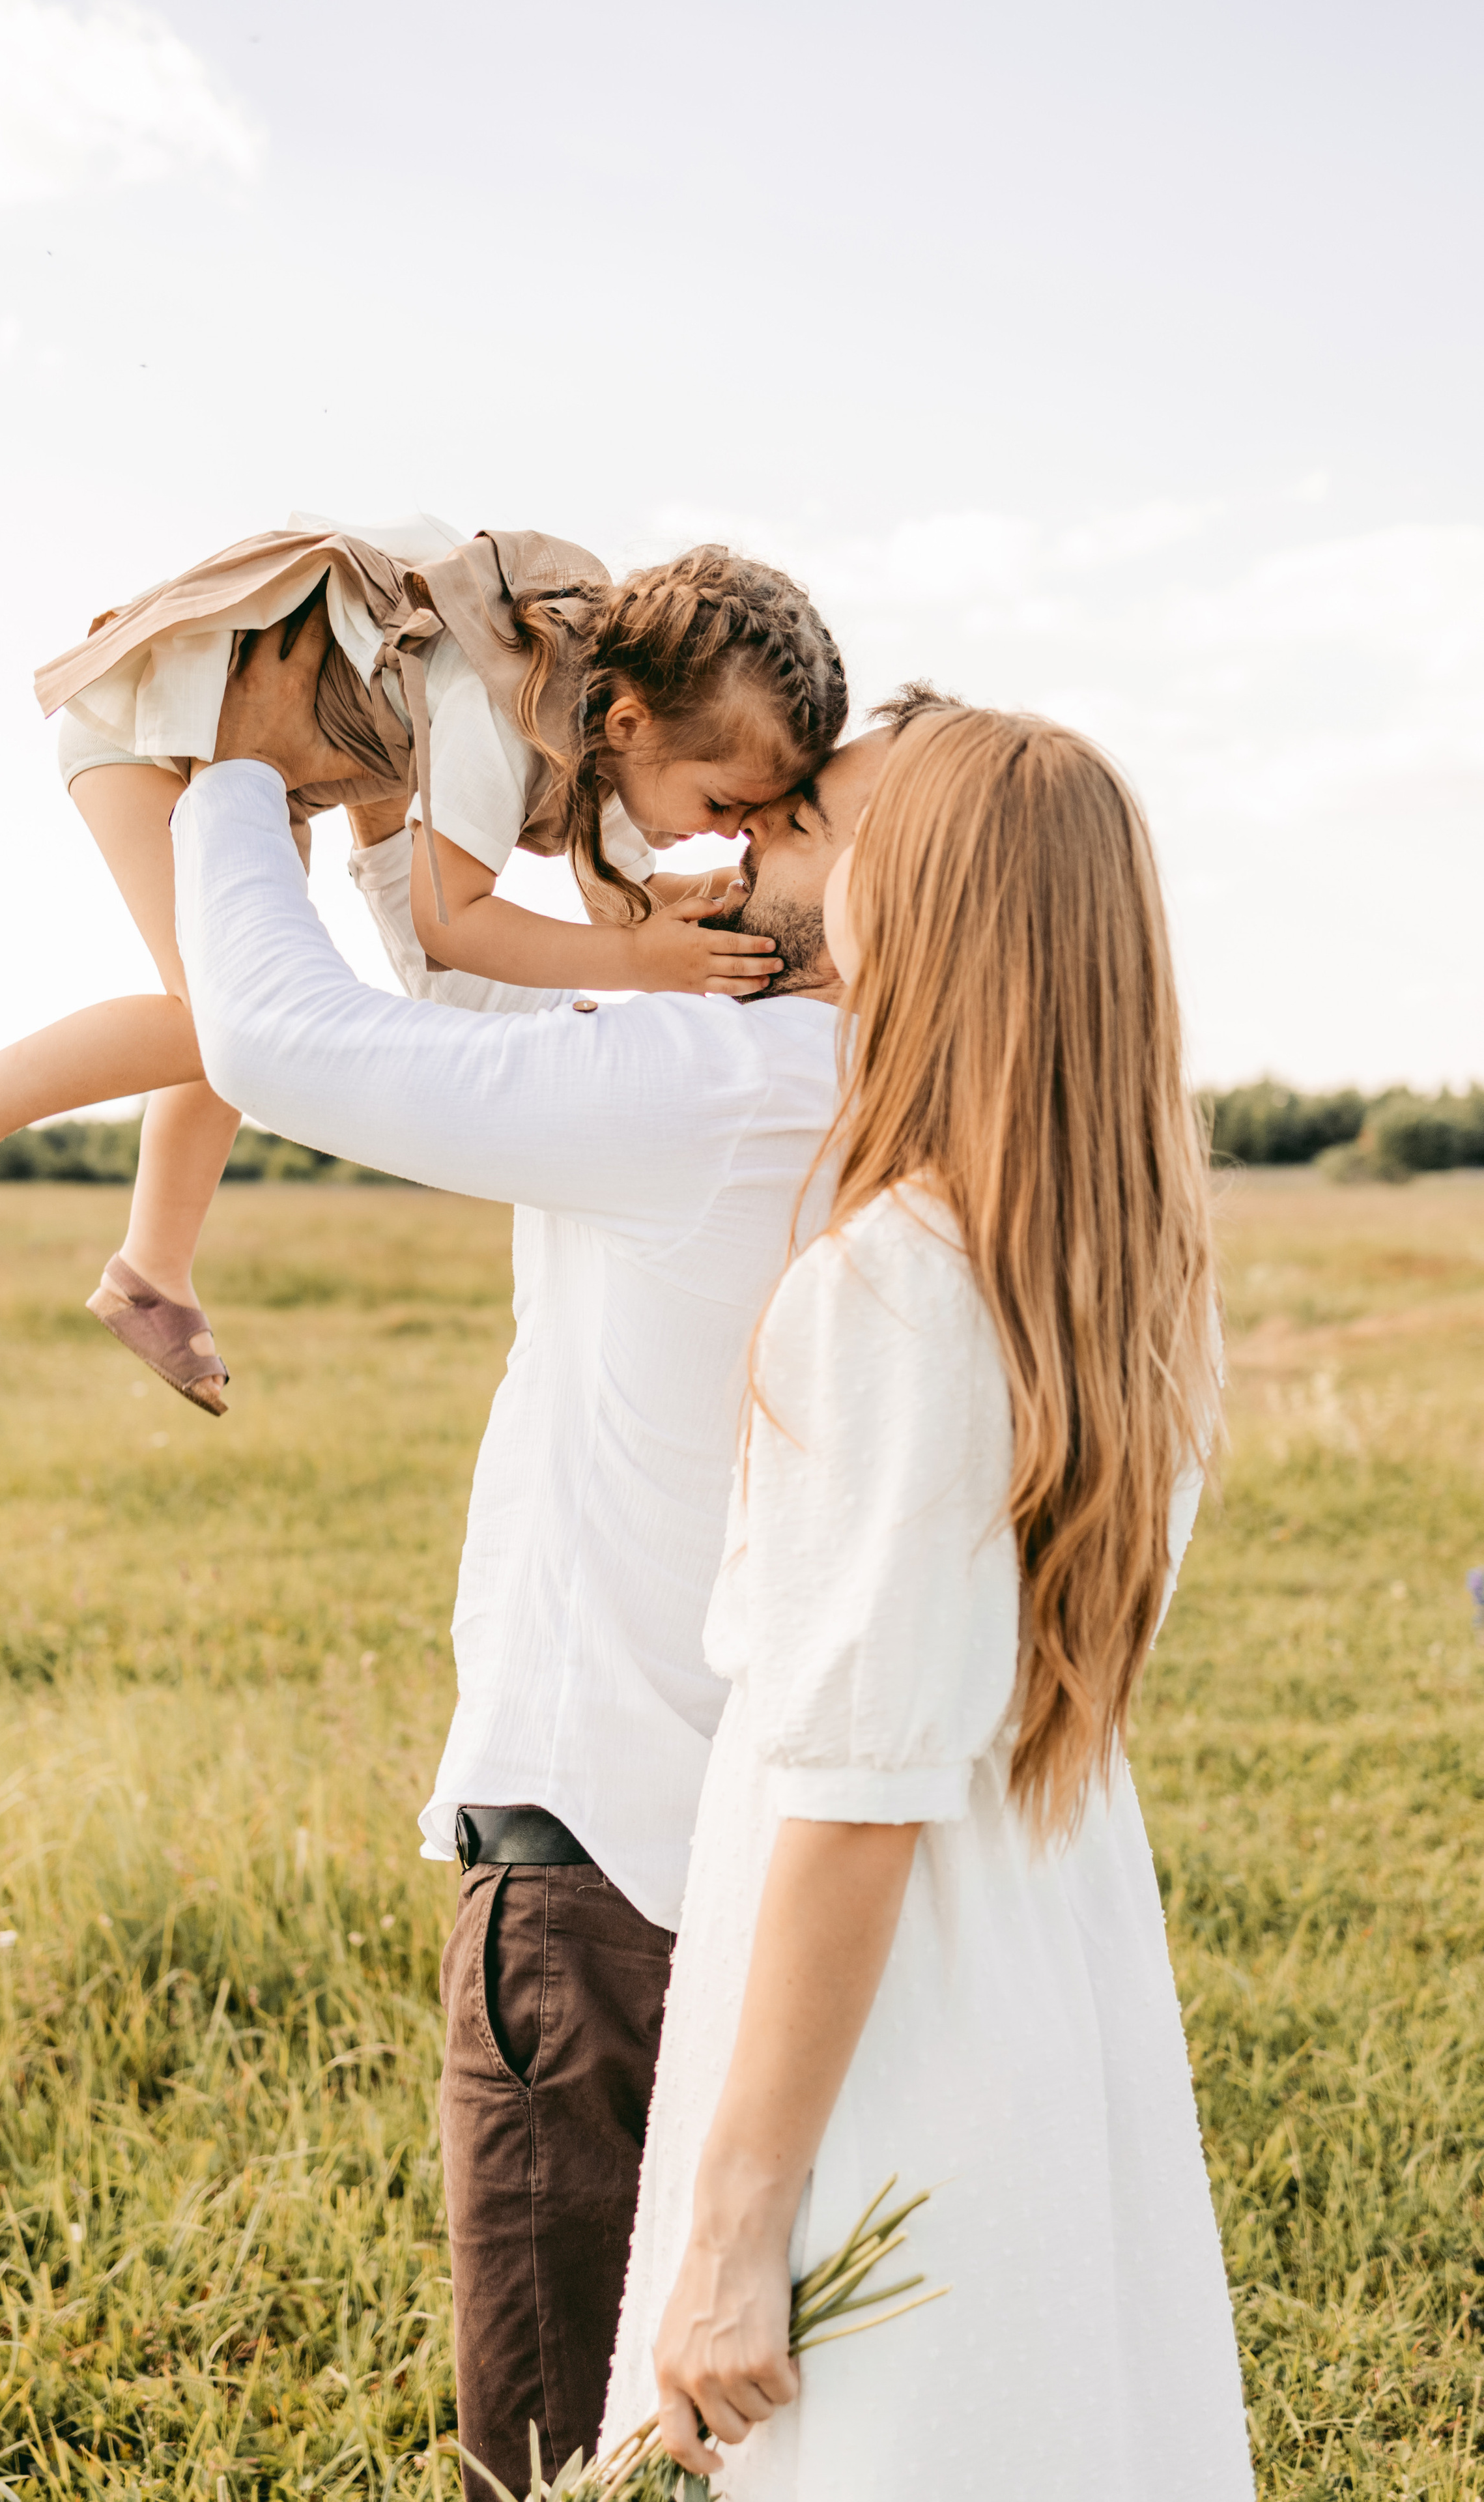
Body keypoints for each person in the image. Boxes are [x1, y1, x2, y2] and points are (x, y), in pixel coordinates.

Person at [156, 605, 950, 2495]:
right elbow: (473, 1015)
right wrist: (407, 826)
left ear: (890, 900)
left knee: (551, 2460)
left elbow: (281, 1040)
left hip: (602, 1878)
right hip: (804, 1885)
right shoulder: (886, 1099)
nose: (729, 845)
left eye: (789, 821)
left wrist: (235, 769)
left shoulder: (713, 1087)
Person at [601, 706, 1253, 2498]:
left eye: (856, 845)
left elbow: (856, 1800)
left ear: (929, 911)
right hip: (1049, 1954)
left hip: (897, 2018)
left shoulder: (893, 1286)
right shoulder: (1129, 1274)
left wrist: (736, 2224)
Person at [0, 519, 844, 1413]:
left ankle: (151, 1272)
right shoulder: (514, 700)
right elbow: (450, 921)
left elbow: (621, 900)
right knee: (222, 1011)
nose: (731, 832)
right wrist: (640, 957)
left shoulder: (607, 732)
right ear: (632, 724)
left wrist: (727, 908)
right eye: (724, 804)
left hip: (257, 757)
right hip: (151, 729)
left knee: (230, 1004)